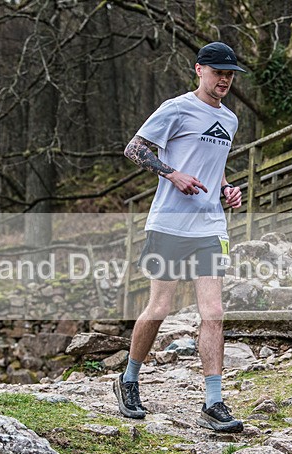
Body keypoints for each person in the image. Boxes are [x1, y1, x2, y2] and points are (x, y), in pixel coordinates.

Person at [113, 42, 245, 433]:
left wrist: (226, 188)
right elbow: (134, 148)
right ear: (199, 70)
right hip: (169, 224)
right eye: (218, 72)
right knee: (160, 307)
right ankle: (129, 379)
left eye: (230, 74)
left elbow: (215, 165)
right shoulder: (176, 108)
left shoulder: (230, 120)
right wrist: (171, 174)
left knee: (213, 312)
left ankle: (213, 401)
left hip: (210, 227)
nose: (224, 80)